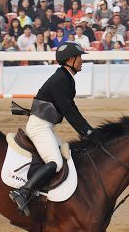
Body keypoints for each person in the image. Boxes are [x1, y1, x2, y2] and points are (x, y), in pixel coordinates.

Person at [9, 42, 101, 215]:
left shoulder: (65, 77)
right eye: (79, 57)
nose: (82, 60)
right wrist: (88, 133)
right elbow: (69, 110)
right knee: (56, 162)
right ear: (71, 59)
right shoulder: (61, 79)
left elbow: (70, 109)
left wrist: (88, 131)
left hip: (45, 126)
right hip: (39, 127)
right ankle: (23, 192)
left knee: (67, 157)